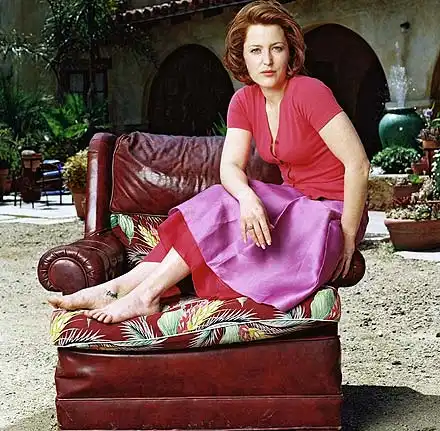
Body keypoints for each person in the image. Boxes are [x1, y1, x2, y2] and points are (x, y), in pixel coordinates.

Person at [49, 0, 370, 324]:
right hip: (294, 204)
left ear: (290, 53)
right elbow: (230, 167)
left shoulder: (308, 92)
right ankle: (117, 288)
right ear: (242, 56)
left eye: (277, 48)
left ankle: (145, 296)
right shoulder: (244, 101)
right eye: (256, 50)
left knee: (221, 204)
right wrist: (247, 199)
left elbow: (358, 164)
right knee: (226, 201)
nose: (267, 60)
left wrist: (348, 237)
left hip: (333, 213)